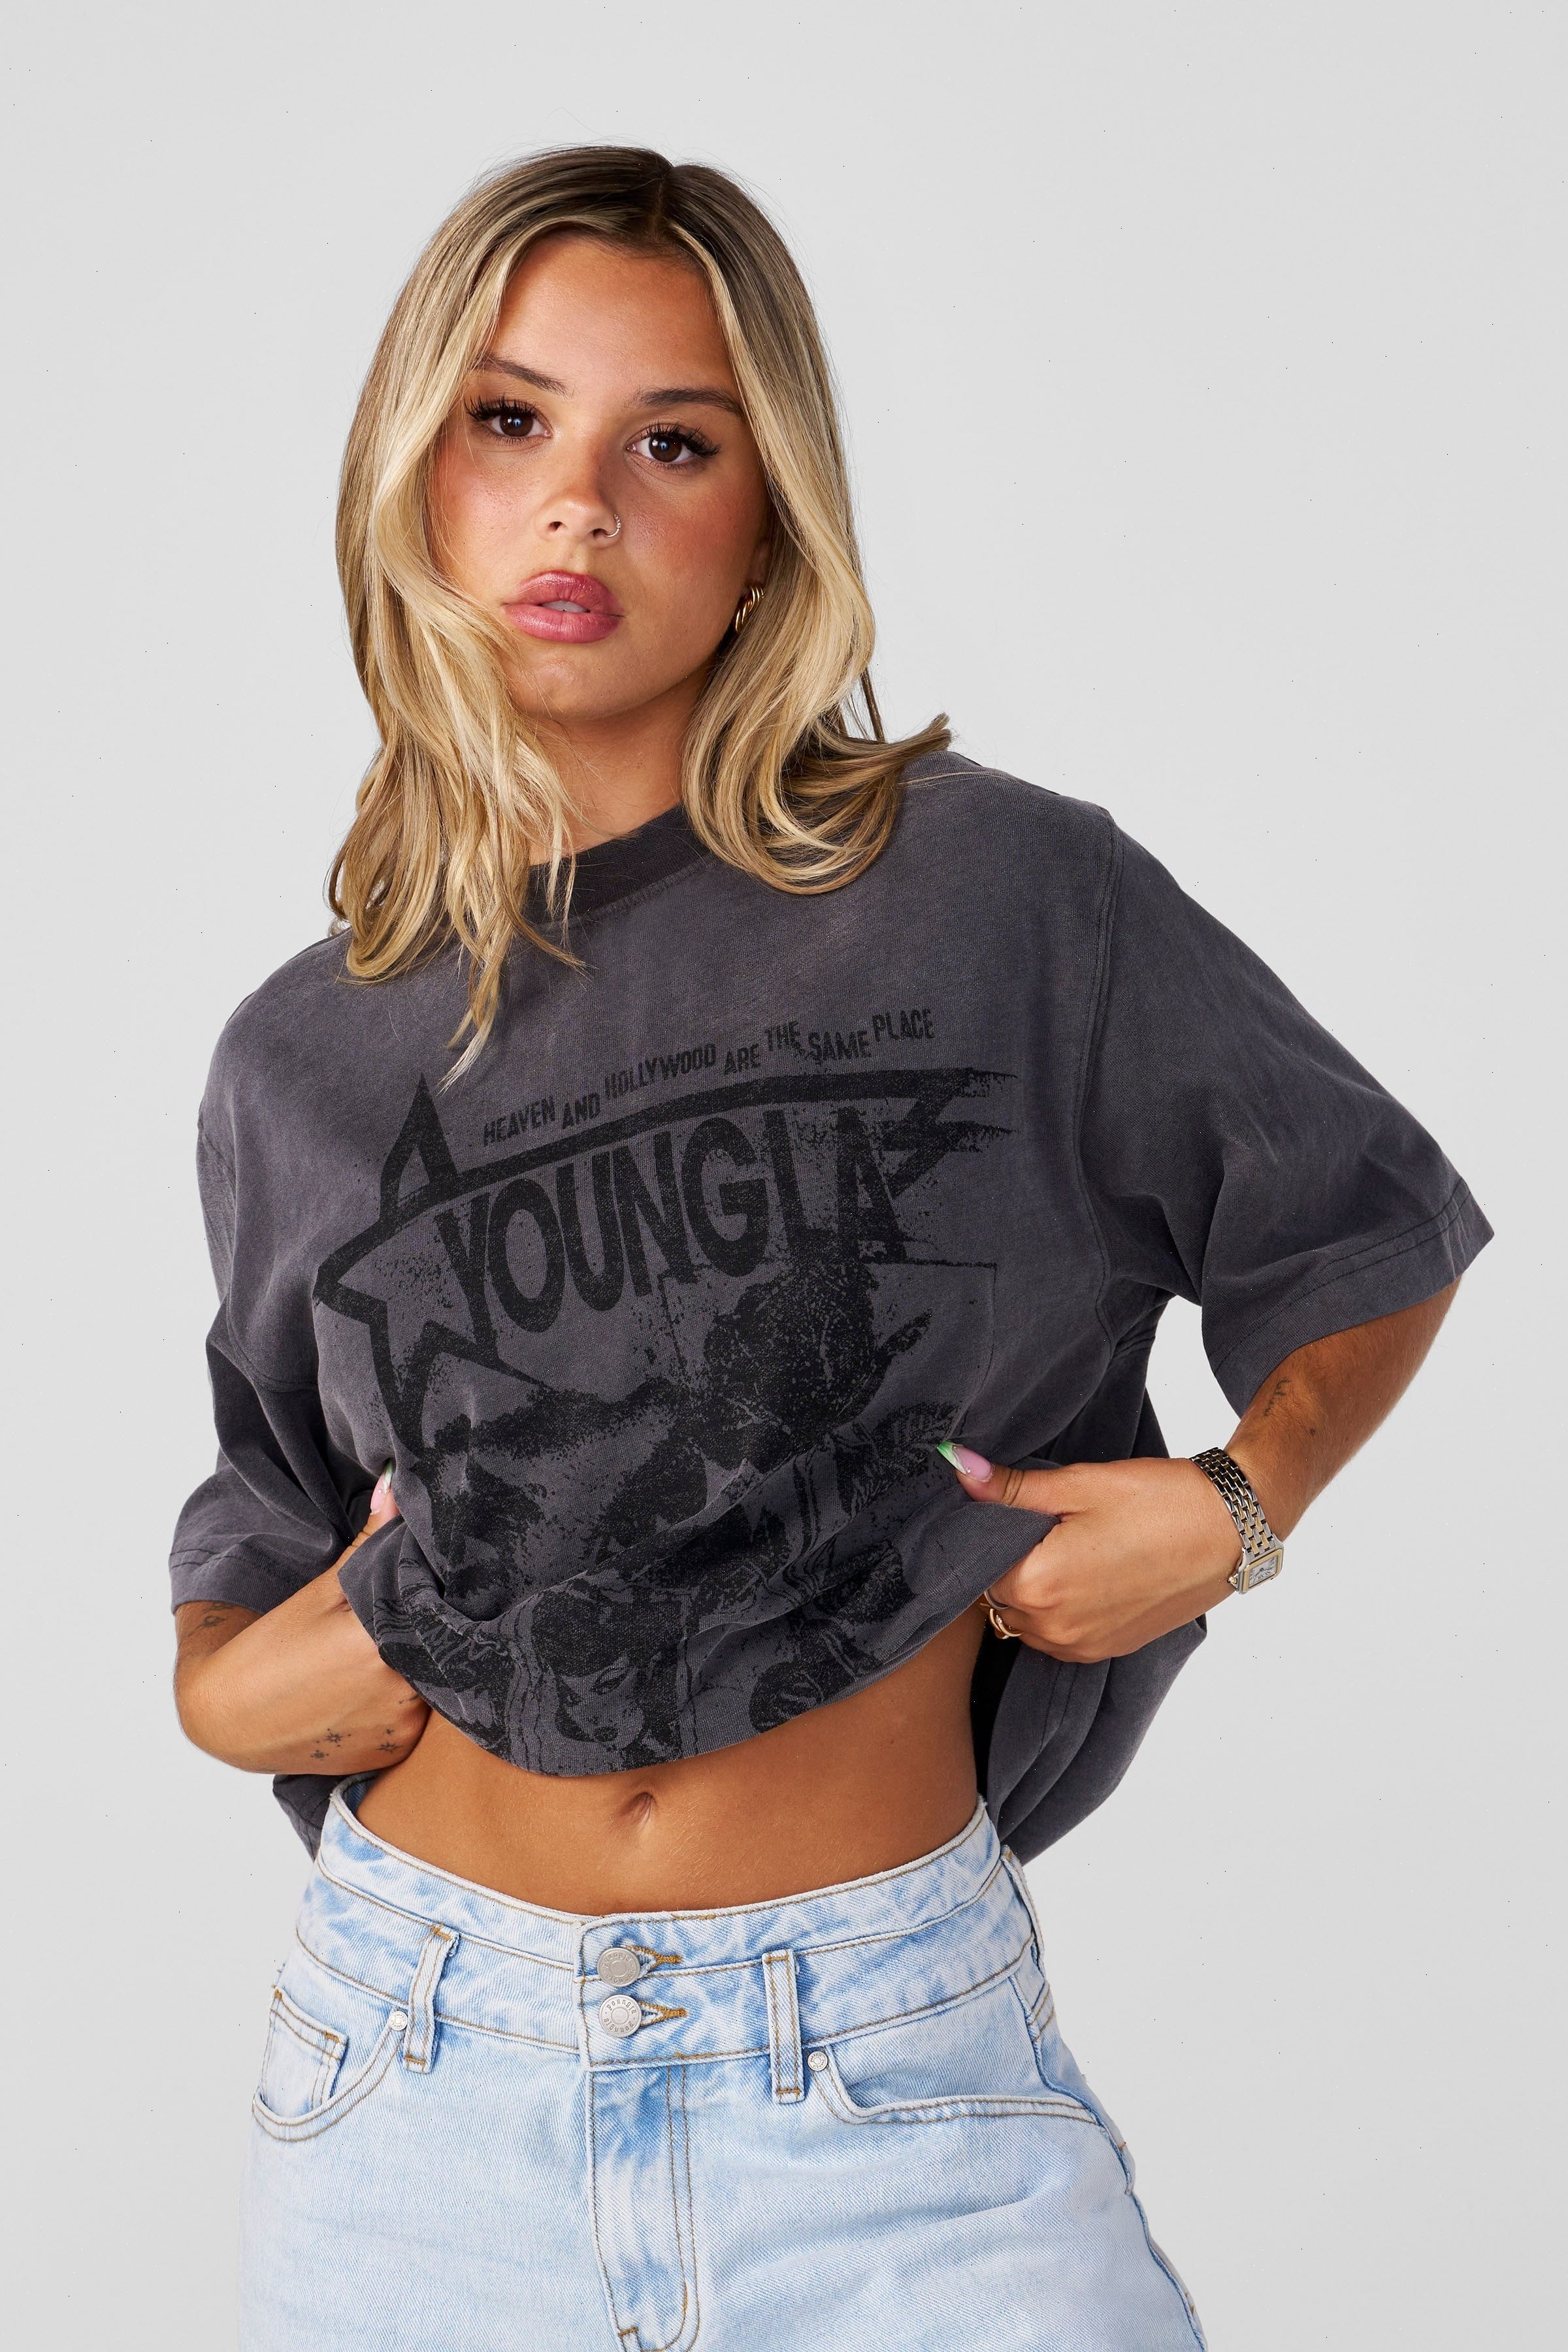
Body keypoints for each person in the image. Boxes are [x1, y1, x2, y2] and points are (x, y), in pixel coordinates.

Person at [169, 146, 1489, 2351]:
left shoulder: (999, 897)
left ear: (772, 513)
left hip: (887, 2075)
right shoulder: (302, 1050)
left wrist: (1243, 1504)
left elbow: (1364, 1218)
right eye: (511, 421)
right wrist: (225, 1694)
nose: (578, 507)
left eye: (671, 444)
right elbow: (265, 1508)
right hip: (410, 2079)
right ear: (413, 478)